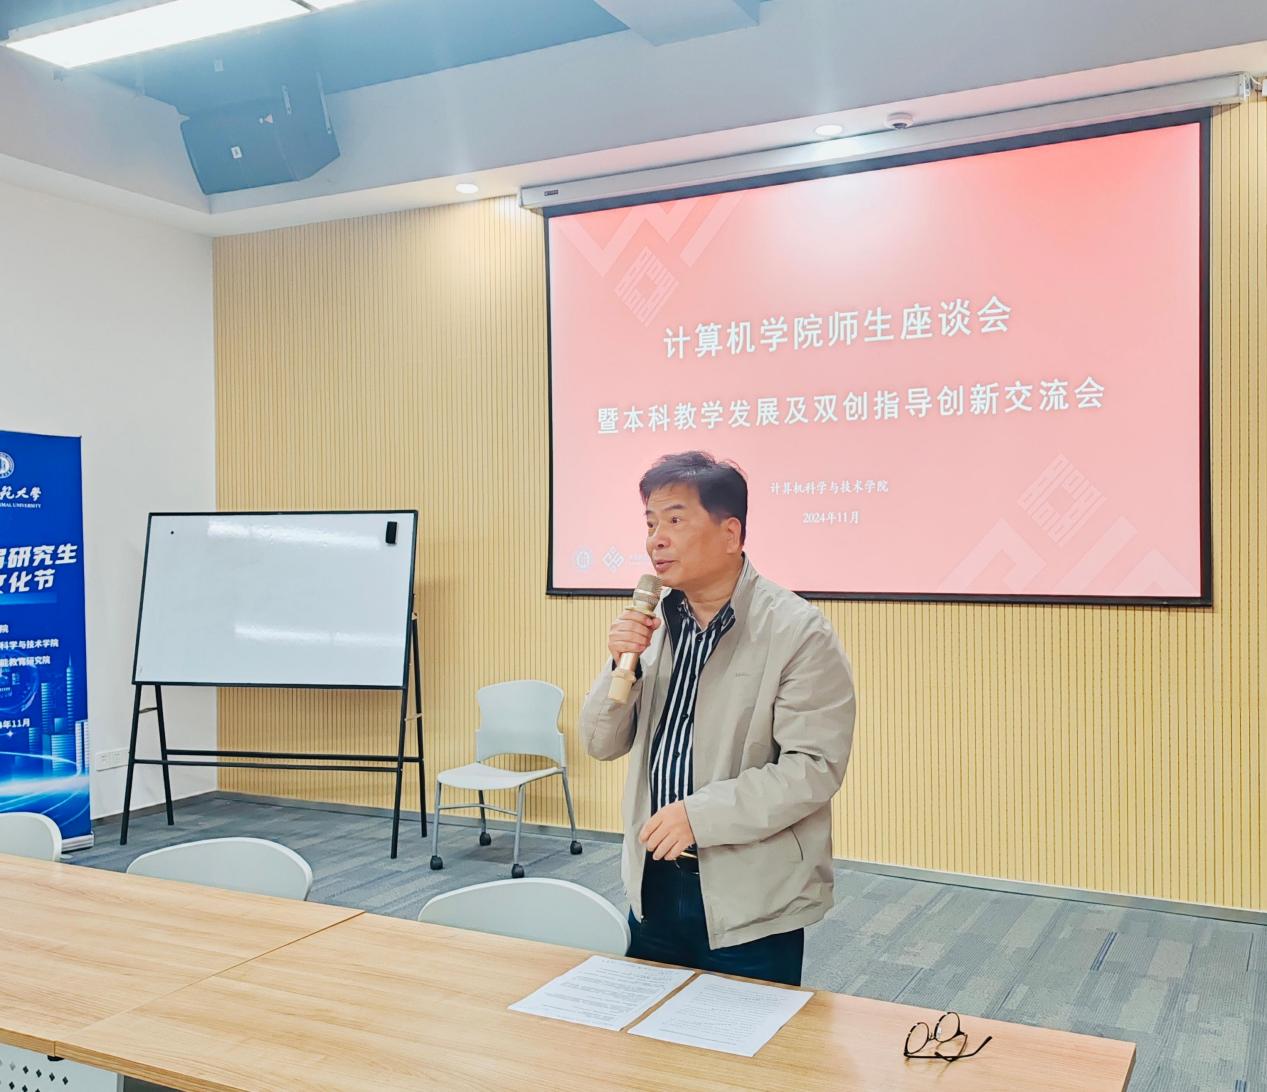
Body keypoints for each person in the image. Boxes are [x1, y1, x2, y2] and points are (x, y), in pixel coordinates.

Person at [580, 451, 856, 986]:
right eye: (650, 523)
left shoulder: (798, 631)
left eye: (675, 520)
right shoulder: (653, 627)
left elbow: (813, 768)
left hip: (750, 898)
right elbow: (601, 742)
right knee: (648, 1032)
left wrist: (699, 816)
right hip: (653, 884)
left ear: (730, 534)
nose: (656, 540)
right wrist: (620, 665)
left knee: (744, 1038)